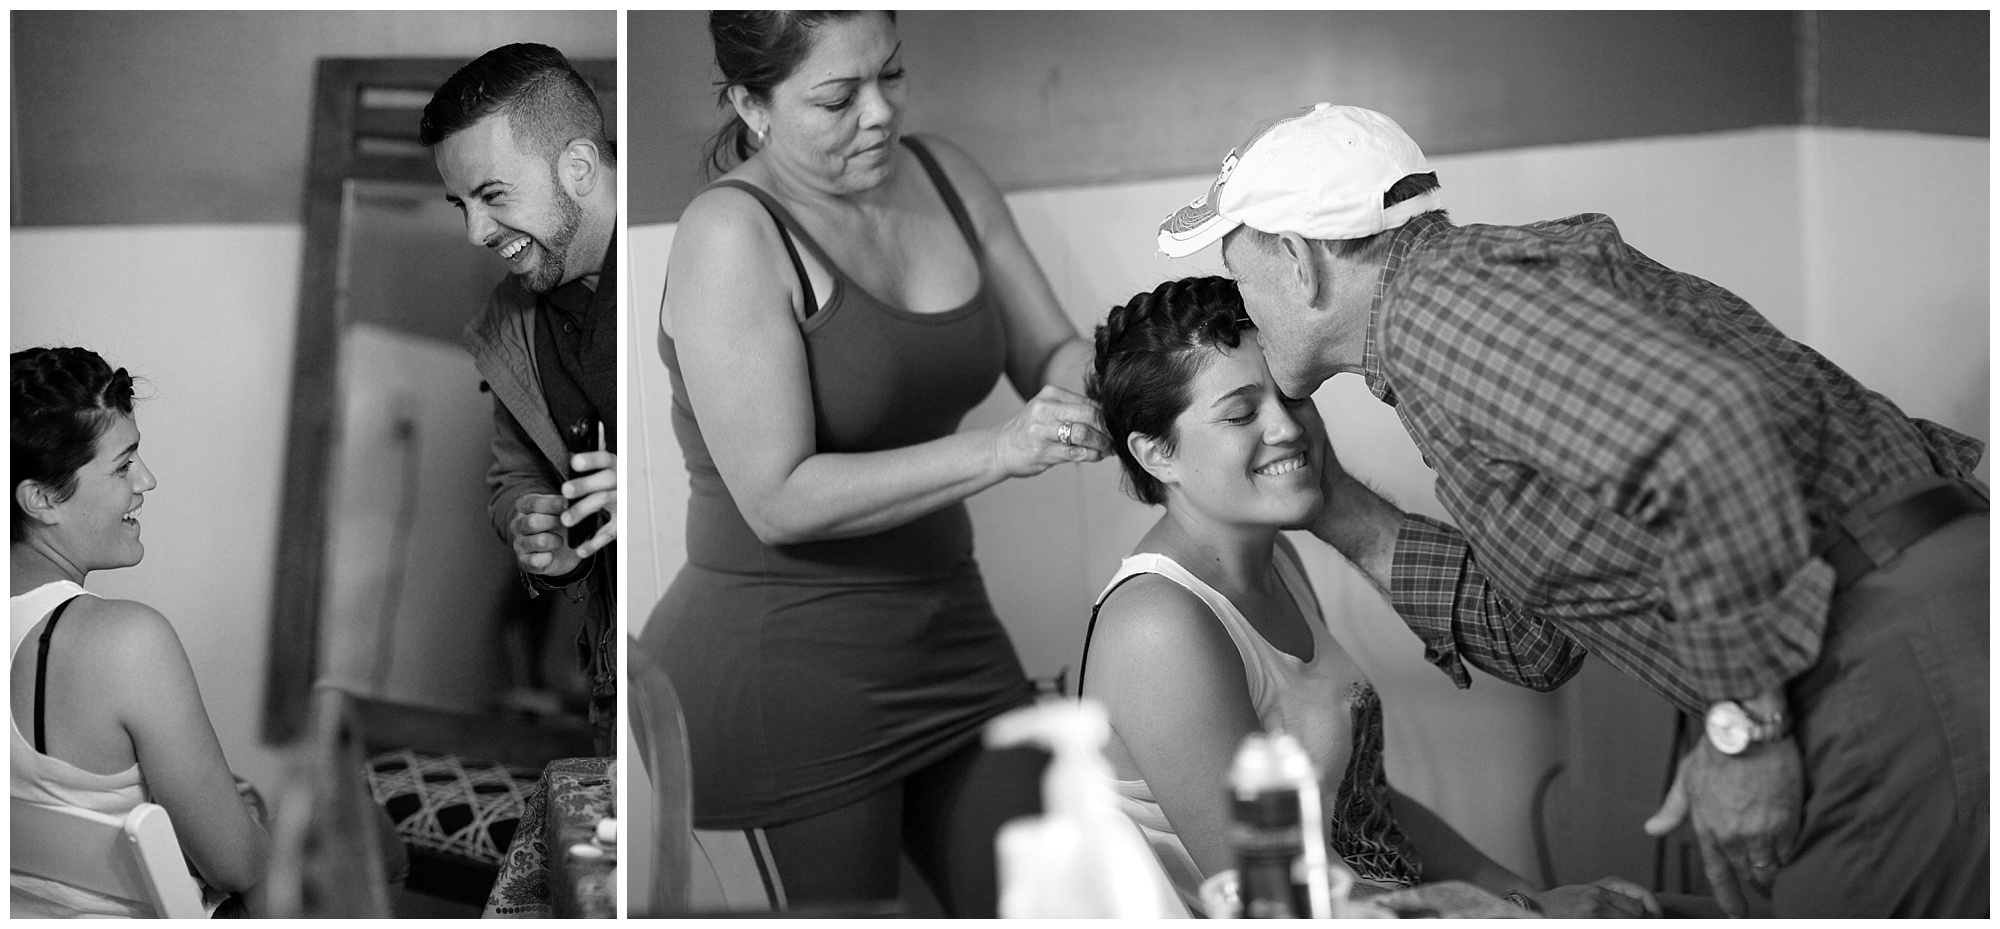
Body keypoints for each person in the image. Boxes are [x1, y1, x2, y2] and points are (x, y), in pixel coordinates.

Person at [1156, 103, 1988, 918]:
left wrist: (1744, 728)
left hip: (1877, 642)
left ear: (1300, 262)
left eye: (1242, 278)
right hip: (1890, 625)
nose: (1251, 322)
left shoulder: (1442, 317)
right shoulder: (1478, 296)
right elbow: (1539, 633)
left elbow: (1707, 428)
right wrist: (1334, 505)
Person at [640, 11, 1111, 917]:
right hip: (788, 675)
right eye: (837, 96)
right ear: (751, 104)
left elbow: (1050, 349)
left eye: (890, 75)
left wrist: (1160, 372)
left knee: (1055, 906)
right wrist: (1002, 451)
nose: (881, 112)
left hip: (952, 637)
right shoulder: (730, 234)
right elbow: (778, 497)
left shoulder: (943, 172)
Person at [1081, 277, 1664, 918]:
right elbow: (1278, 899)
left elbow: (1364, 806)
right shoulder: (1159, 626)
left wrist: (1529, 899)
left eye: (1292, 396)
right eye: (1242, 414)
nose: (1285, 427)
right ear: (1156, 453)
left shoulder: (1280, 560)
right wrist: (1522, 915)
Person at [10, 346, 269, 917]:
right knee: (369, 839)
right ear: (42, 498)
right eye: (123, 465)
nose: (147, 480)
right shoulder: (126, 640)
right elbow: (237, 866)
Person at [421, 43, 619, 755]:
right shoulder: (509, 319)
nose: (475, 232)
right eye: (460, 204)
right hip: (618, 679)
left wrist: (653, 486)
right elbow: (513, 478)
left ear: (577, 167)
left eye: (492, 195)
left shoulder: (688, 253)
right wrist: (531, 526)